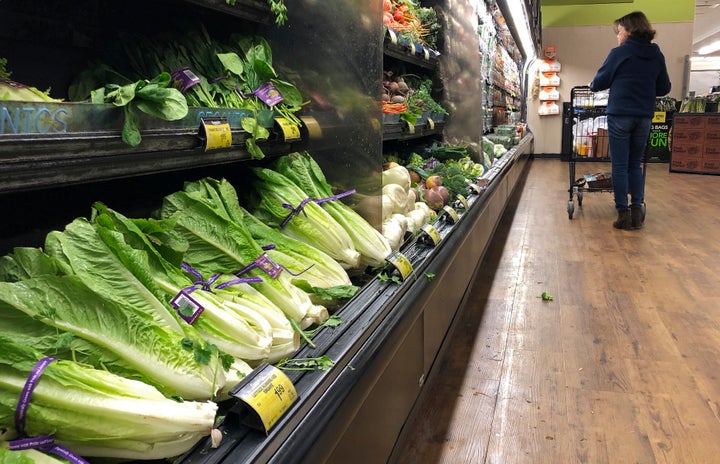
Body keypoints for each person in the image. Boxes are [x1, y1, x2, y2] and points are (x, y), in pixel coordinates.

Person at [589, 11, 671, 230]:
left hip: (620, 115)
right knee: (635, 164)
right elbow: (664, 88)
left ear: (630, 30)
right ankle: (637, 211)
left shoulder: (619, 53)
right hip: (643, 116)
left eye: (620, 32)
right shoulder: (656, 54)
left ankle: (623, 214)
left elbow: (598, 82)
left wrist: (594, 84)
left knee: (620, 165)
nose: (618, 36)